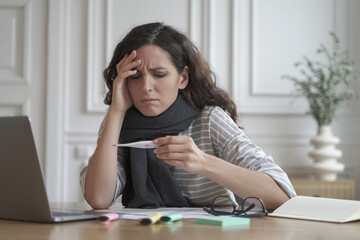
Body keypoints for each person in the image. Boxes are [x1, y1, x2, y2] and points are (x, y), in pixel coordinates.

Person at [80, 22, 296, 210]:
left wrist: (202, 162)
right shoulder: (117, 123)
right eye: (135, 76)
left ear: (182, 78)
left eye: (159, 74)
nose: (146, 87)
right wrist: (116, 111)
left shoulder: (210, 120)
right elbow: (98, 198)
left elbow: (283, 196)